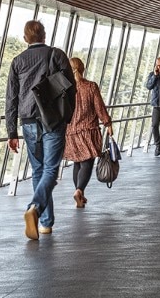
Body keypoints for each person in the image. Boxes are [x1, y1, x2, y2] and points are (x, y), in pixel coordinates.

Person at [5, 20, 75, 240]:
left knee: (38, 170)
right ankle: (36, 209)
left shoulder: (17, 62)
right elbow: (71, 89)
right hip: (53, 119)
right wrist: (68, 116)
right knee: (50, 169)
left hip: (28, 121)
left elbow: (11, 99)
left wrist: (11, 132)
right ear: (44, 35)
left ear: (25, 38)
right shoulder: (57, 55)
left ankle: (45, 222)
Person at [64, 57, 112, 208]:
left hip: (71, 131)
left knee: (77, 162)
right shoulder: (90, 86)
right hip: (88, 130)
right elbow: (99, 107)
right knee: (87, 162)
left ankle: (79, 193)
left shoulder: (65, 88)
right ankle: (79, 190)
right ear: (83, 68)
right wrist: (107, 123)